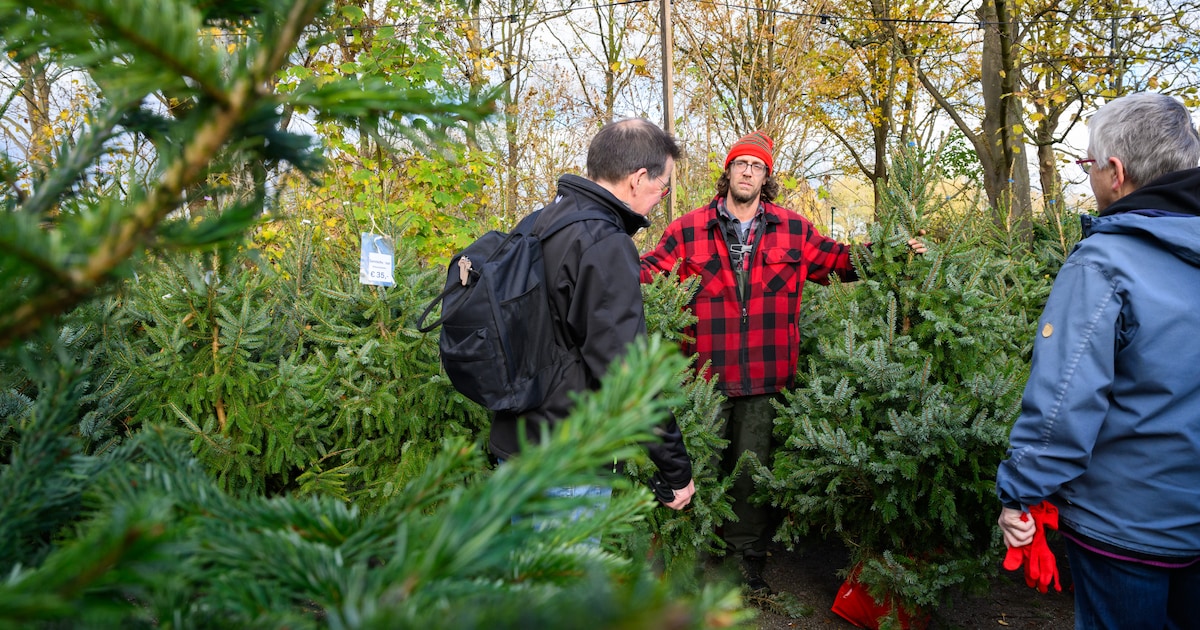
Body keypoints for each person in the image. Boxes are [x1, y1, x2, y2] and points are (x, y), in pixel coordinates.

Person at [640, 130, 926, 591]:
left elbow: (839, 260)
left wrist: (892, 253)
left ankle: (745, 562)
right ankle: (684, 561)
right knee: (696, 467)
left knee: (753, 477)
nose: (748, 172)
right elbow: (647, 272)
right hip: (702, 378)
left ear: (766, 177)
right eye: (740, 164)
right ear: (728, 172)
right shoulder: (688, 229)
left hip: (765, 378)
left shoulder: (792, 229)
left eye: (757, 166)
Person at [995, 92, 1200, 629]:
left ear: (1116, 171)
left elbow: (1064, 399)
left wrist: (1020, 493)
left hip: (1125, 527)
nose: (1087, 177)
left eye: (1087, 164)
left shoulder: (1105, 262)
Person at [489, 118, 697, 517]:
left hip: (515, 449)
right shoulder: (604, 243)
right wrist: (676, 470)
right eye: (662, 185)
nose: (661, 196)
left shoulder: (540, 222)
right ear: (638, 179)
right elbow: (628, 375)